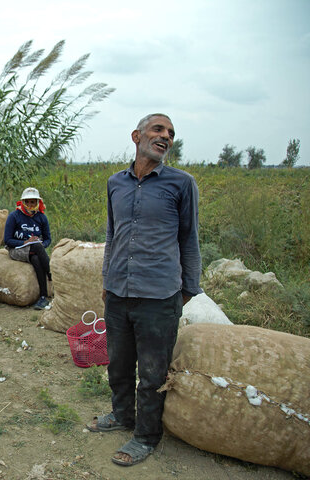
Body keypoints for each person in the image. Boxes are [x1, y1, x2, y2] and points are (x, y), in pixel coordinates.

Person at [87, 113, 201, 467]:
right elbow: (112, 234)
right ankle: (122, 415)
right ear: (137, 136)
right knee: (118, 364)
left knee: (152, 373)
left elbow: (189, 238)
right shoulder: (115, 183)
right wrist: (108, 279)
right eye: (158, 129)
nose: (165, 136)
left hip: (159, 295)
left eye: (170, 133)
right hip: (119, 291)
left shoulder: (181, 183)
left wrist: (187, 290)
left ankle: (146, 435)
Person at [3, 187, 52, 310]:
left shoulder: (41, 217)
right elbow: (7, 240)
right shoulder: (14, 216)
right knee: (36, 246)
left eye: (33, 202)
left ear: (37, 203)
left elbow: (48, 239)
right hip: (17, 249)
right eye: (28, 202)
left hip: (36, 250)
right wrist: (25, 242)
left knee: (36, 259)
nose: (30, 205)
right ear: (23, 202)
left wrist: (41, 245)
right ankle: (51, 274)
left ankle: (43, 297)